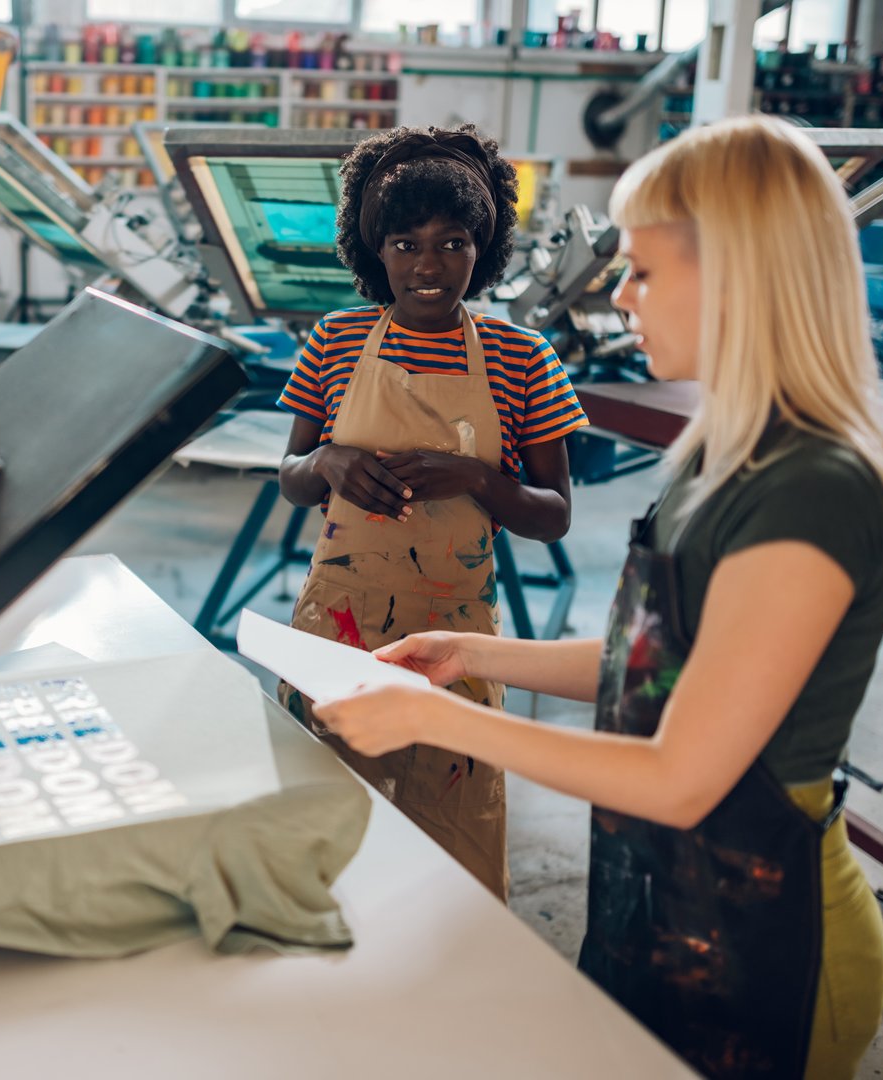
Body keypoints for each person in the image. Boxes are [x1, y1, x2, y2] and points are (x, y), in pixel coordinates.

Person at [313, 116, 883, 1079]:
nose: (622, 296)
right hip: (668, 904)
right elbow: (667, 663)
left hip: (770, 943)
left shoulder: (813, 489)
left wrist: (442, 721)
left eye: (644, 271)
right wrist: (465, 656)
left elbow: (682, 773)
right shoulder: (726, 454)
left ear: (743, 275)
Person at [274, 125, 588, 899]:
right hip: (337, 629)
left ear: (483, 248)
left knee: (455, 850)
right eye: (406, 243)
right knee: (323, 831)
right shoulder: (335, 342)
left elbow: (553, 517)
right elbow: (291, 479)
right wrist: (327, 463)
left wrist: (479, 478)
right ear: (373, 250)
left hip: (457, 641)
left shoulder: (523, 358)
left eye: (452, 243)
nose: (428, 265)